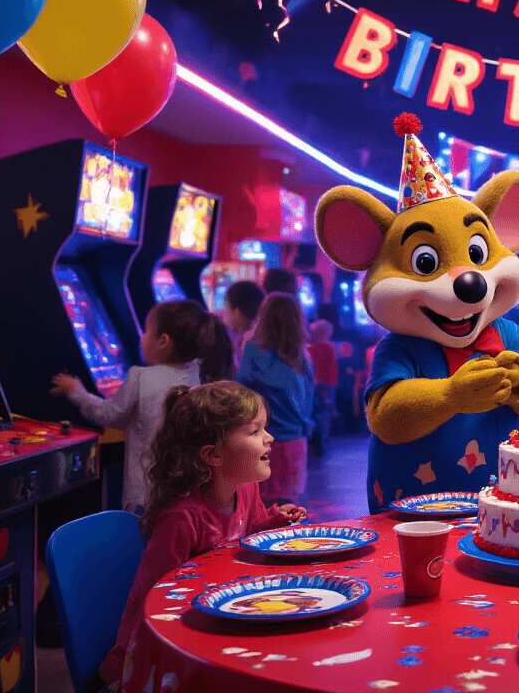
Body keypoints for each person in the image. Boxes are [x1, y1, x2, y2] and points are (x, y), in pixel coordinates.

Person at [96, 381, 307, 688]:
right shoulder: (181, 519)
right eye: (254, 431)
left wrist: (274, 521)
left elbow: (249, 531)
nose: (269, 438)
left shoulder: (246, 490)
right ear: (213, 456)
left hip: (217, 625)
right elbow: (156, 595)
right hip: (152, 658)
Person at [51, 299, 224, 513]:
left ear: (163, 341)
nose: (141, 336)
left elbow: (107, 414)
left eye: (146, 331)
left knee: (141, 540)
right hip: (182, 491)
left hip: (145, 493)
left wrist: (76, 391)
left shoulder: (140, 377)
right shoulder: (195, 377)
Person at [236, 293, 315, 504]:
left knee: (260, 503)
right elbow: (309, 400)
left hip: (262, 437)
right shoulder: (302, 358)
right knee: (288, 503)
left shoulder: (253, 350)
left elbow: (240, 388)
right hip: (295, 438)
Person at [307, 318, 339, 456]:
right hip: (327, 384)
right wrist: (334, 384)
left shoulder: (309, 348)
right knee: (325, 414)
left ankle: (313, 442)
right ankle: (322, 443)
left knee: (314, 412)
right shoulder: (328, 347)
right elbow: (332, 368)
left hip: (313, 384)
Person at [224, 280, 264, 363]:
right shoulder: (262, 338)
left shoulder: (247, 346)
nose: (224, 314)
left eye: (226, 308)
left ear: (237, 312)